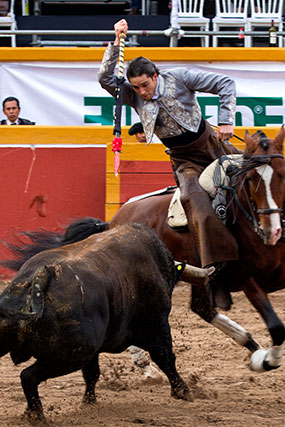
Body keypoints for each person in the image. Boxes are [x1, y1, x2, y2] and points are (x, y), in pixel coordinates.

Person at [99, 18, 240, 310]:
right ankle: (215, 274)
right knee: (192, 199)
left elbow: (225, 83)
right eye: (135, 88)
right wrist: (116, 43)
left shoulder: (180, 77)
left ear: (155, 74)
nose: (141, 92)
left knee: (254, 179)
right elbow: (105, 79)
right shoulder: (131, 93)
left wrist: (226, 119)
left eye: (144, 85)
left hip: (214, 144)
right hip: (183, 158)